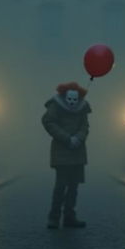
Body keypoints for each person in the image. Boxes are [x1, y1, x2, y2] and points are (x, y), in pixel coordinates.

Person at [41, 81, 91, 229]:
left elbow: (85, 126)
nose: (72, 102)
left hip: (77, 152)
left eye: (74, 99)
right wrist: (67, 138)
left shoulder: (82, 108)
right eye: (69, 99)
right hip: (62, 152)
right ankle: (54, 217)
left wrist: (78, 138)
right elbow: (48, 122)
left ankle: (69, 216)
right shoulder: (55, 106)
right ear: (64, 96)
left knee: (74, 186)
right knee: (61, 186)